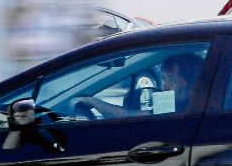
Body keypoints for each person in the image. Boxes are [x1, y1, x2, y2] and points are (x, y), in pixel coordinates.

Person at [70, 51, 202, 120]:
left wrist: (93, 101)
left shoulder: (186, 108)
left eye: (170, 78)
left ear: (185, 81)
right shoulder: (188, 105)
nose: (165, 86)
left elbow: (130, 117)